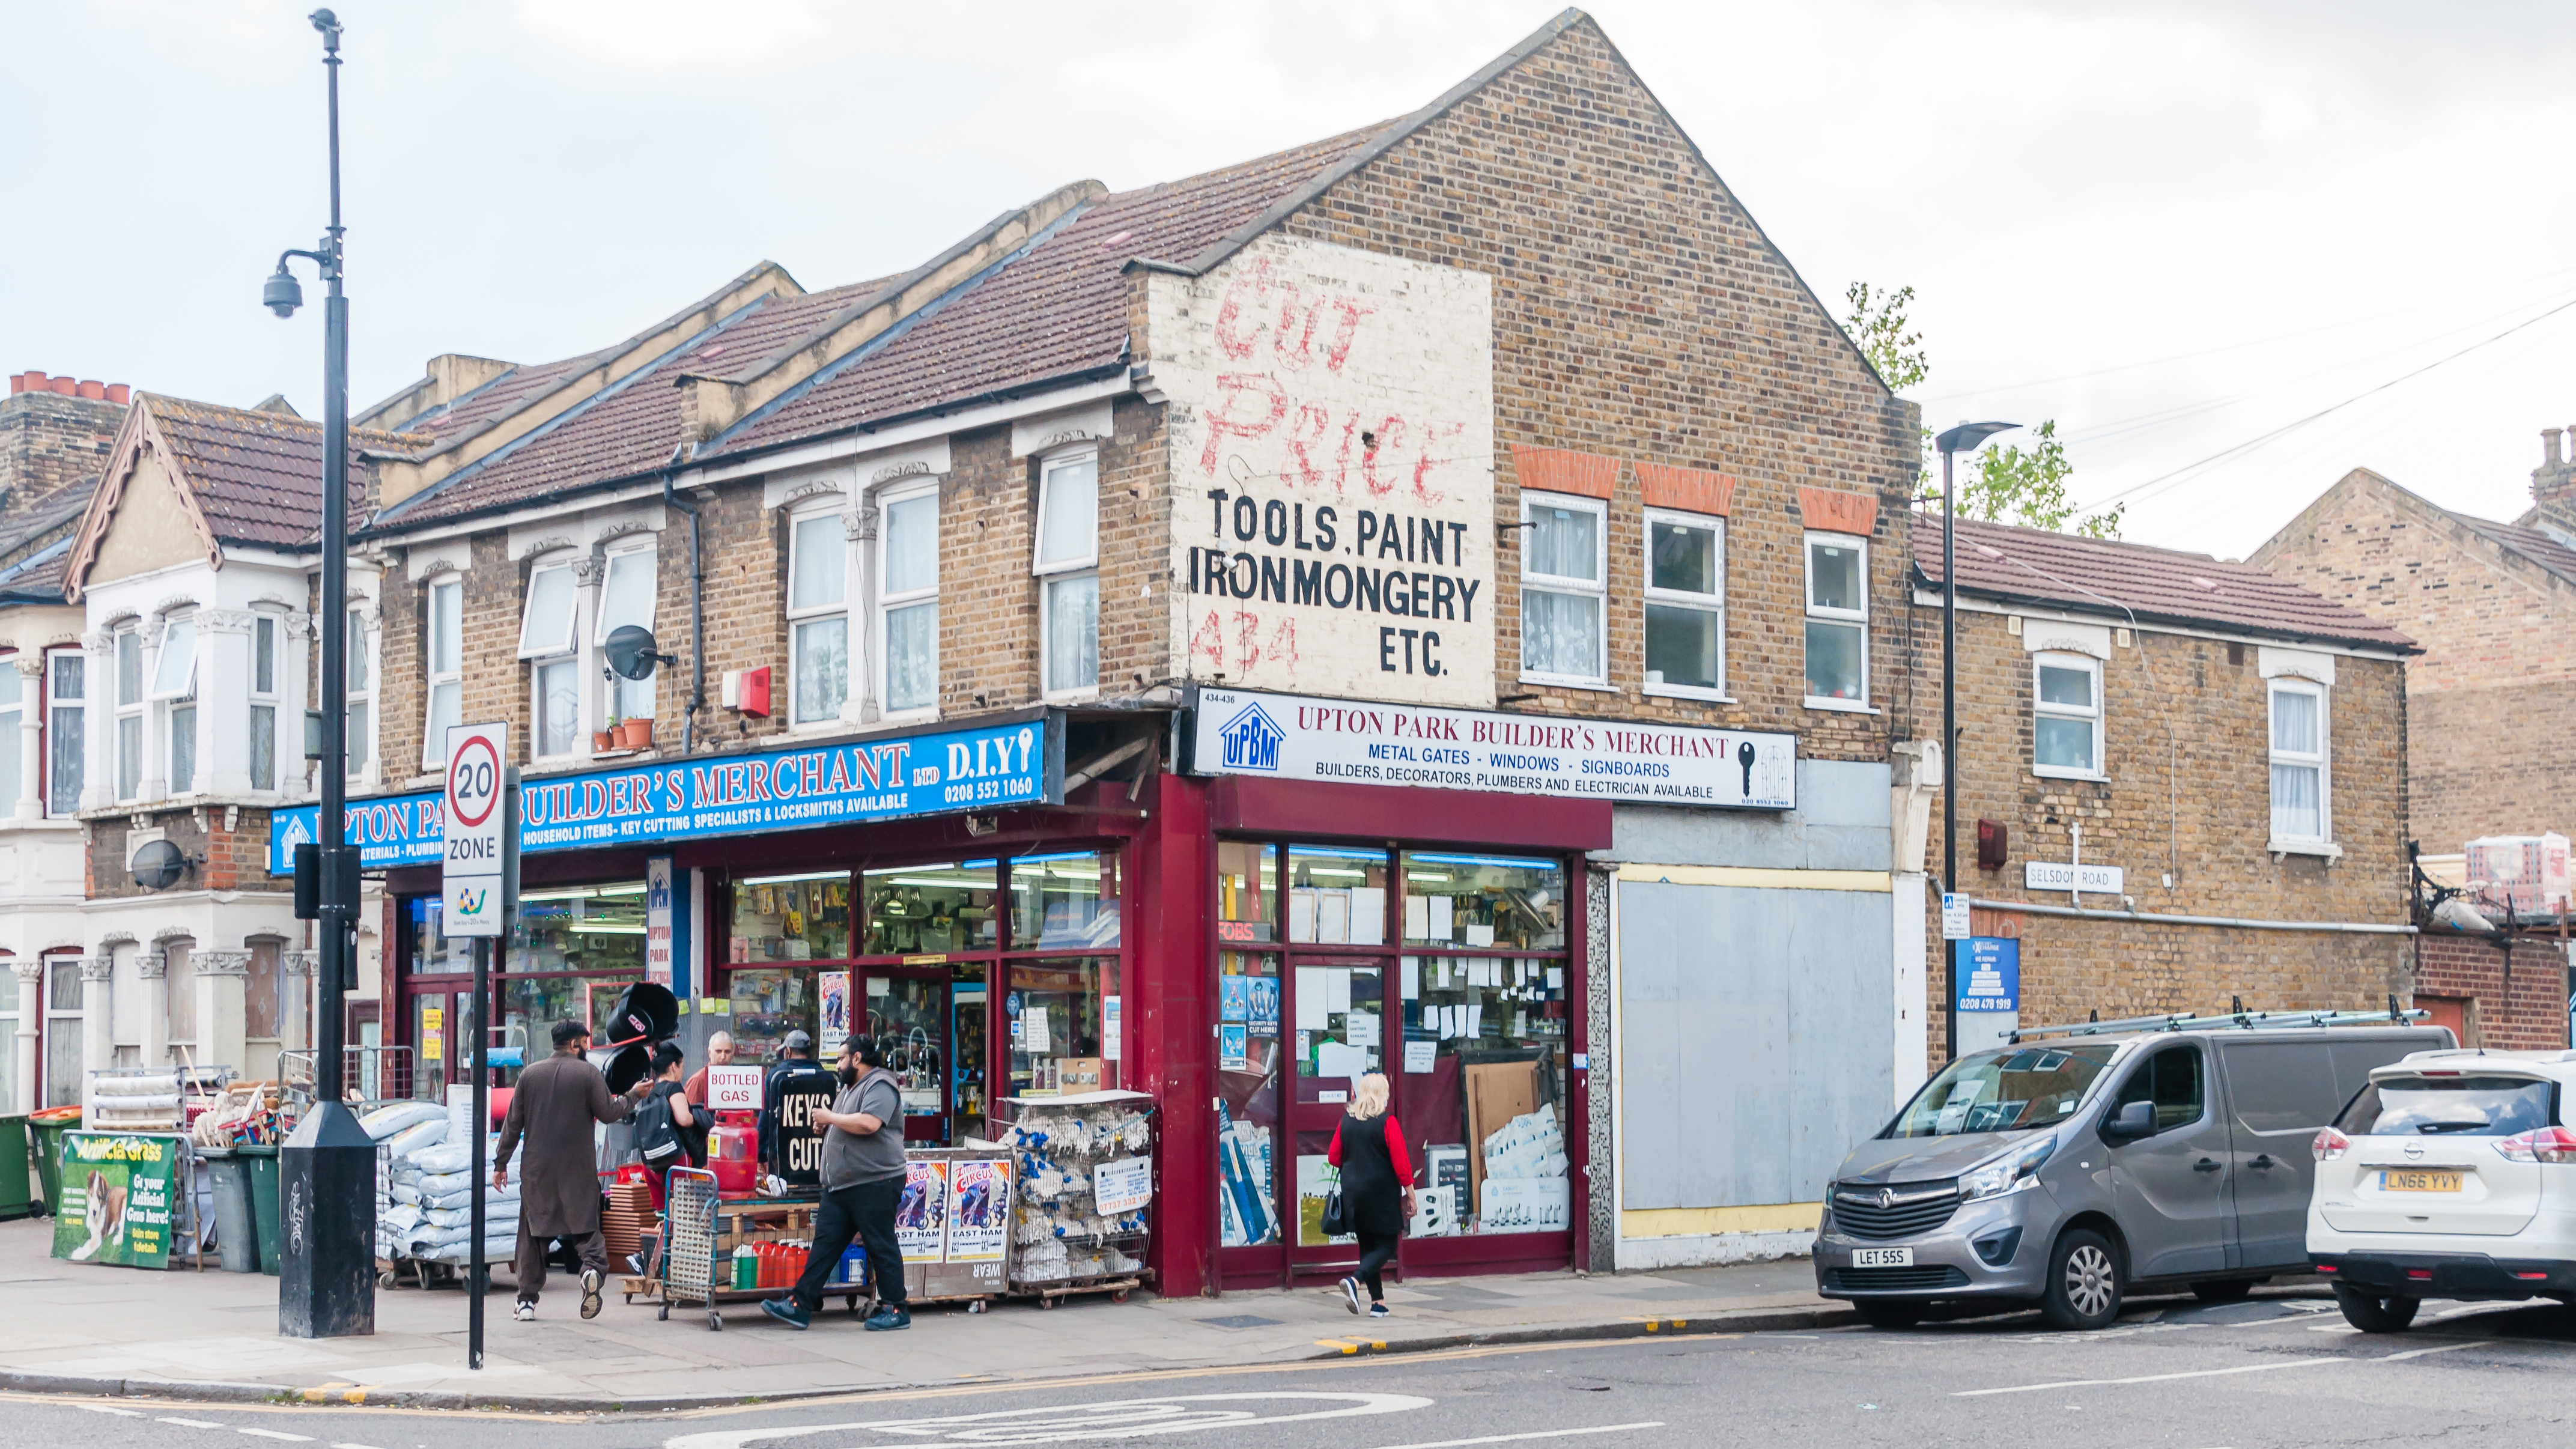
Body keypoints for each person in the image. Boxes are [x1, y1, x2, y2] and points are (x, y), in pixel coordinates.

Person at [495, 1018, 646, 1322]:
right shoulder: (588, 1074)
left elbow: (512, 1124)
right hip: (577, 1170)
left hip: (537, 1170)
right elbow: (609, 1113)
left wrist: (501, 1164)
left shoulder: (529, 1075)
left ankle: (526, 1302)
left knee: (533, 1235)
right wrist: (633, 1095)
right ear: (575, 1044)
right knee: (587, 1230)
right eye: (586, 1043)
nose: (588, 1048)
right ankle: (590, 1271)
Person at [762, 1036, 910, 1331]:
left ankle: (896, 1308)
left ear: (857, 1058)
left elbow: (869, 1123)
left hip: (874, 1181)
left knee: (880, 1244)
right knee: (825, 1245)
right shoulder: (848, 1088)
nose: (838, 1065)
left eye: (841, 1059)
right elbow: (846, 1121)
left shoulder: (880, 1084)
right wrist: (826, 1125)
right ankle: (800, 1304)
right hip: (842, 1185)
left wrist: (830, 1116)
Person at [1326, 1072, 1414, 1319]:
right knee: (1387, 1244)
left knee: (1368, 1247)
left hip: (1354, 1194)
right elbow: (1401, 1164)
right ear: (1382, 1095)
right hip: (1381, 1194)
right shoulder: (1388, 1123)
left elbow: (1333, 1157)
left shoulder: (1346, 1121)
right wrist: (1411, 1195)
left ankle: (1378, 1304)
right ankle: (1355, 1281)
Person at [628, 1041, 699, 1277]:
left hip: (651, 1164)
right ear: (673, 1066)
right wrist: (700, 1115)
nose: (682, 1071)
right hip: (674, 1161)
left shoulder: (650, 1094)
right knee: (683, 1213)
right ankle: (657, 1260)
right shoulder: (673, 1088)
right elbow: (684, 1119)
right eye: (681, 1066)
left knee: (666, 1214)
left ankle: (648, 1257)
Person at [762, 1028, 838, 1192]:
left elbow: (766, 1118)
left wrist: (761, 1155)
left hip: (782, 1156)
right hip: (818, 1157)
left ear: (787, 1051)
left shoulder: (776, 1076)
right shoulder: (826, 1077)